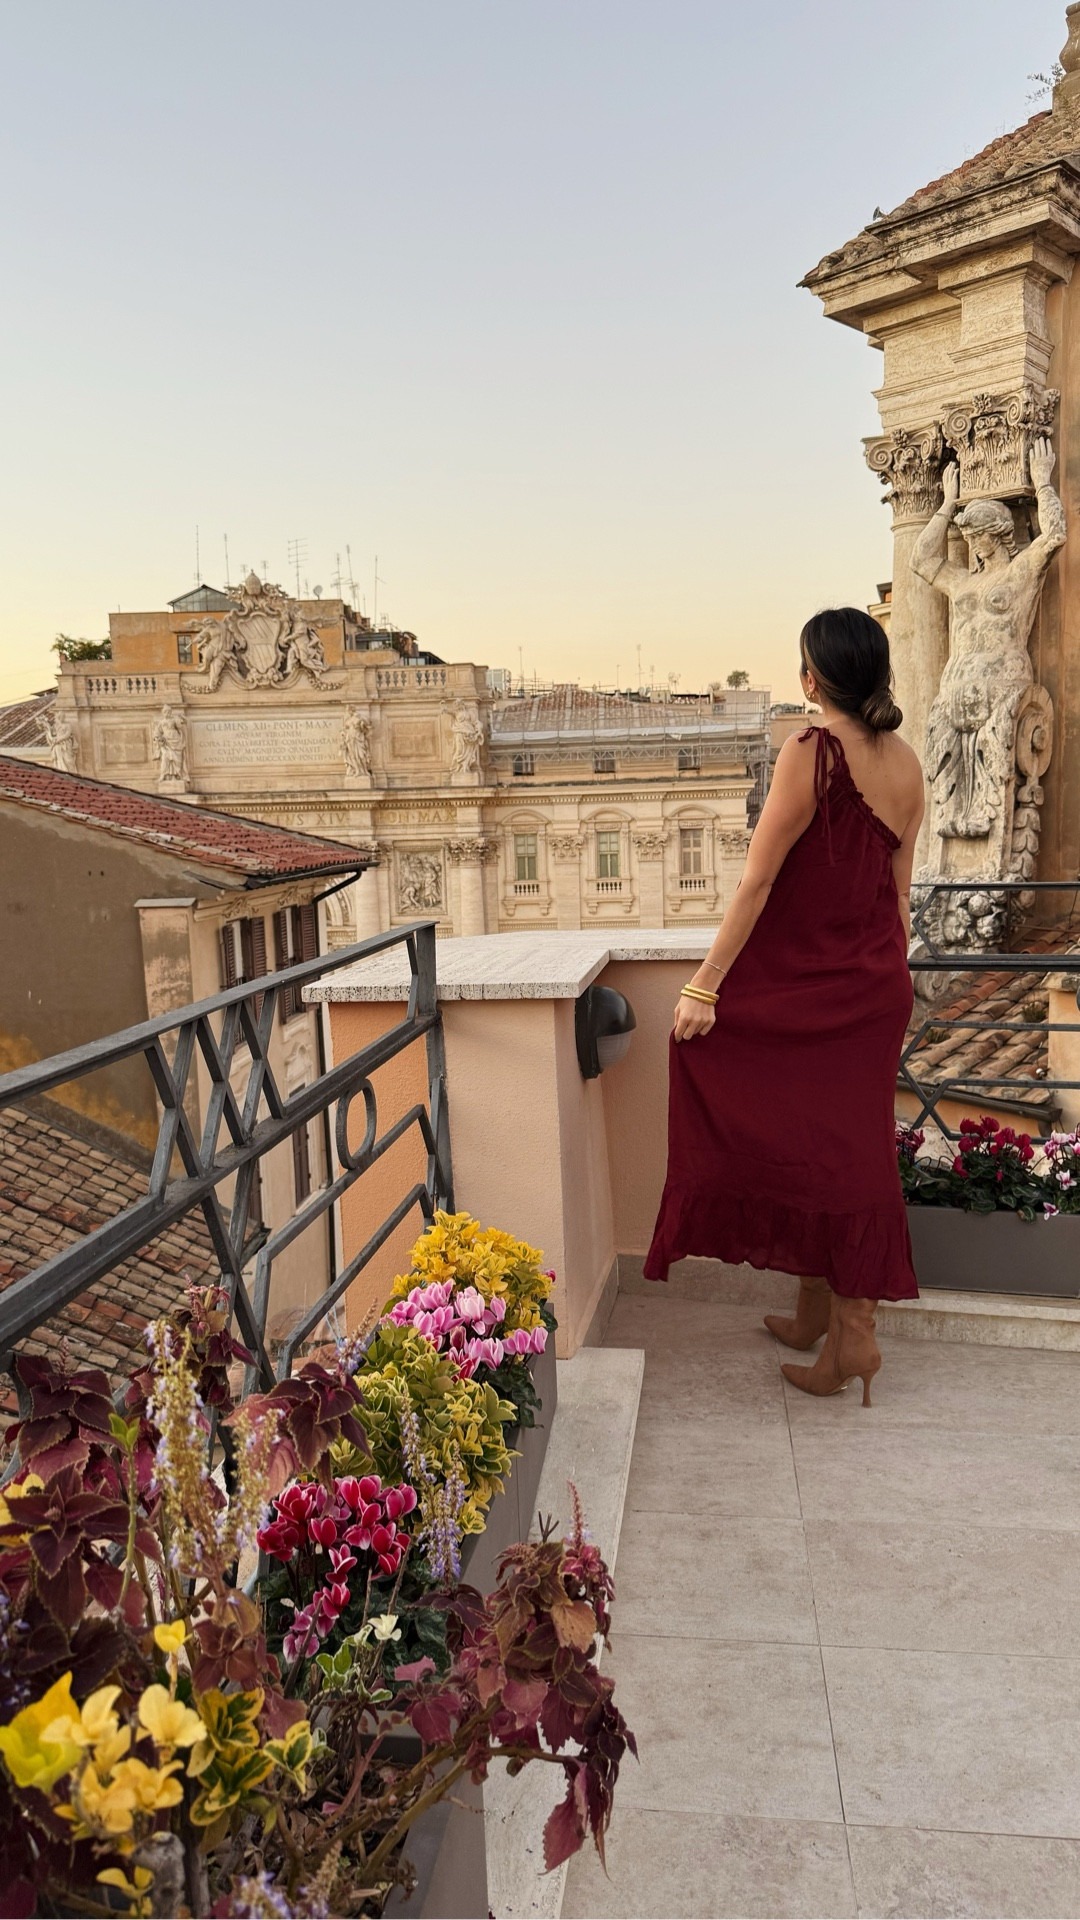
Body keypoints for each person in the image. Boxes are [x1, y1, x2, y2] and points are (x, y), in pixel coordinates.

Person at [644, 607, 925, 1405]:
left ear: (812, 678)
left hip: (816, 985)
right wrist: (885, 992)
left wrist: (704, 984)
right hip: (873, 986)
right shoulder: (906, 763)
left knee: (829, 1144)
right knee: (838, 1143)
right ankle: (817, 1312)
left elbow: (757, 882)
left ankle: (856, 1335)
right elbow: (896, 899)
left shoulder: (810, 752)